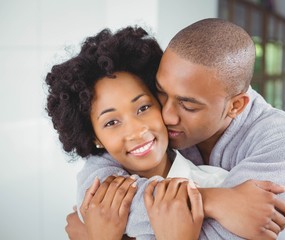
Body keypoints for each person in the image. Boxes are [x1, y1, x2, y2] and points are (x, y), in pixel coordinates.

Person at [66, 18, 285, 239]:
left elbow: (238, 233)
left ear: (235, 106)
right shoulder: (147, 126)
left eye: (187, 105)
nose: (167, 115)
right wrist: (215, 201)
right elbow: (97, 200)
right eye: (161, 92)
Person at [45, 26, 236, 240]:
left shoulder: (219, 183)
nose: (136, 130)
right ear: (94, 137)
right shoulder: (96, 196)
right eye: (111, 122)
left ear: (160, 101)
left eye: (143, 108)